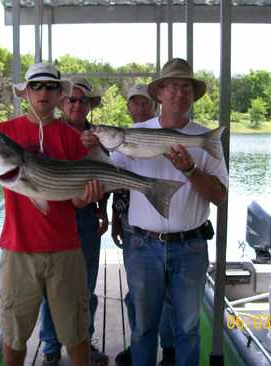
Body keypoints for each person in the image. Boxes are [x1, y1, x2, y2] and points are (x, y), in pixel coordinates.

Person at [0, 62, 105, 366]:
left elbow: (75, 201)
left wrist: (86, 199)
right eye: (36, 86)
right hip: (18, 250)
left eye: (50, 86)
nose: (43, 92)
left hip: (66, 250)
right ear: (25, 93)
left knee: (76, 332)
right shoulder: (1, 134)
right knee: (14, 335)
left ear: (60, 94)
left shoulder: (71, 138)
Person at [83, 58, 228, 366]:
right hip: (142, 245)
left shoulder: (206, 138)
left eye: (185, 87)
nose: (179, 92)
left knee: (188, 328)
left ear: (193, 95)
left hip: (190, 247)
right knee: (143, 328)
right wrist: (92, 147)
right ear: (159, 94)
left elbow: (220, 197)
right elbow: (105, 174)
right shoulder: (131, 134)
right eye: (172, 86)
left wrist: (190, 169)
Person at [38, 76, 109, 366]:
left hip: (87, 214)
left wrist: (103, 210)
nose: (77, 104)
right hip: (56, 215)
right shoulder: (48, 132)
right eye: (71, 99)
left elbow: (105, 175)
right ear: (62, 103)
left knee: (86, 286)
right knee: (51, 287)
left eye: (83, 100)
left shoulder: (101, 135)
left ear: (90, 105)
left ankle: (84, 341)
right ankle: (51, 347)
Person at [113, 84, 175, 366]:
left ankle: (169, 348)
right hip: (131, 226)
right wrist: (115, 219)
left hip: (161, 225)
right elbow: (115, 183)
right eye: (134, 104)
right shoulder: (120, 139)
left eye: (144, 104)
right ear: (128, 107)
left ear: (154, 106)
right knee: (138, 293)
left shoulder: (163, 136)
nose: (139, 108)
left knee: (166, 297)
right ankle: (138, 346)